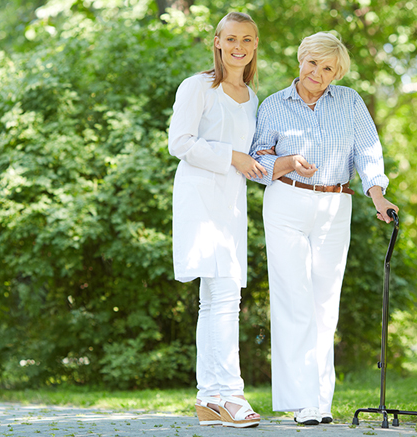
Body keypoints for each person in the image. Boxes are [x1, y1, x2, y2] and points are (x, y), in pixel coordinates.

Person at [249, 31, 399, 425]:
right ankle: (301, 403)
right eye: (312, 62)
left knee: (324, 304)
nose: (317, 72)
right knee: (292, 299)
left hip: (336, 203)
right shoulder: (274, 105)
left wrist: (378, 195)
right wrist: (288, 161)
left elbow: (368, 150)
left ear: (337, 73)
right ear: (301, 60)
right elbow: (257, 158)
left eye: (327, 67)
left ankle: (321, 401)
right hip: (287, 201)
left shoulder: (349, 102)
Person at [168, 11, 265, 429]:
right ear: (218, 42)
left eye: (247, 39)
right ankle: (231, 395)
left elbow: (253, 157)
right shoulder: (198, 88)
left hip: (232, 202)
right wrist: (231, 157)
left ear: (254, 45)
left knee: (221, 300)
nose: (239, 46)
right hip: (200, 199)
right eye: (231, 38)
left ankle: (210, 399)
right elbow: (180, 142)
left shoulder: (253, 97)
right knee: (222, 299)